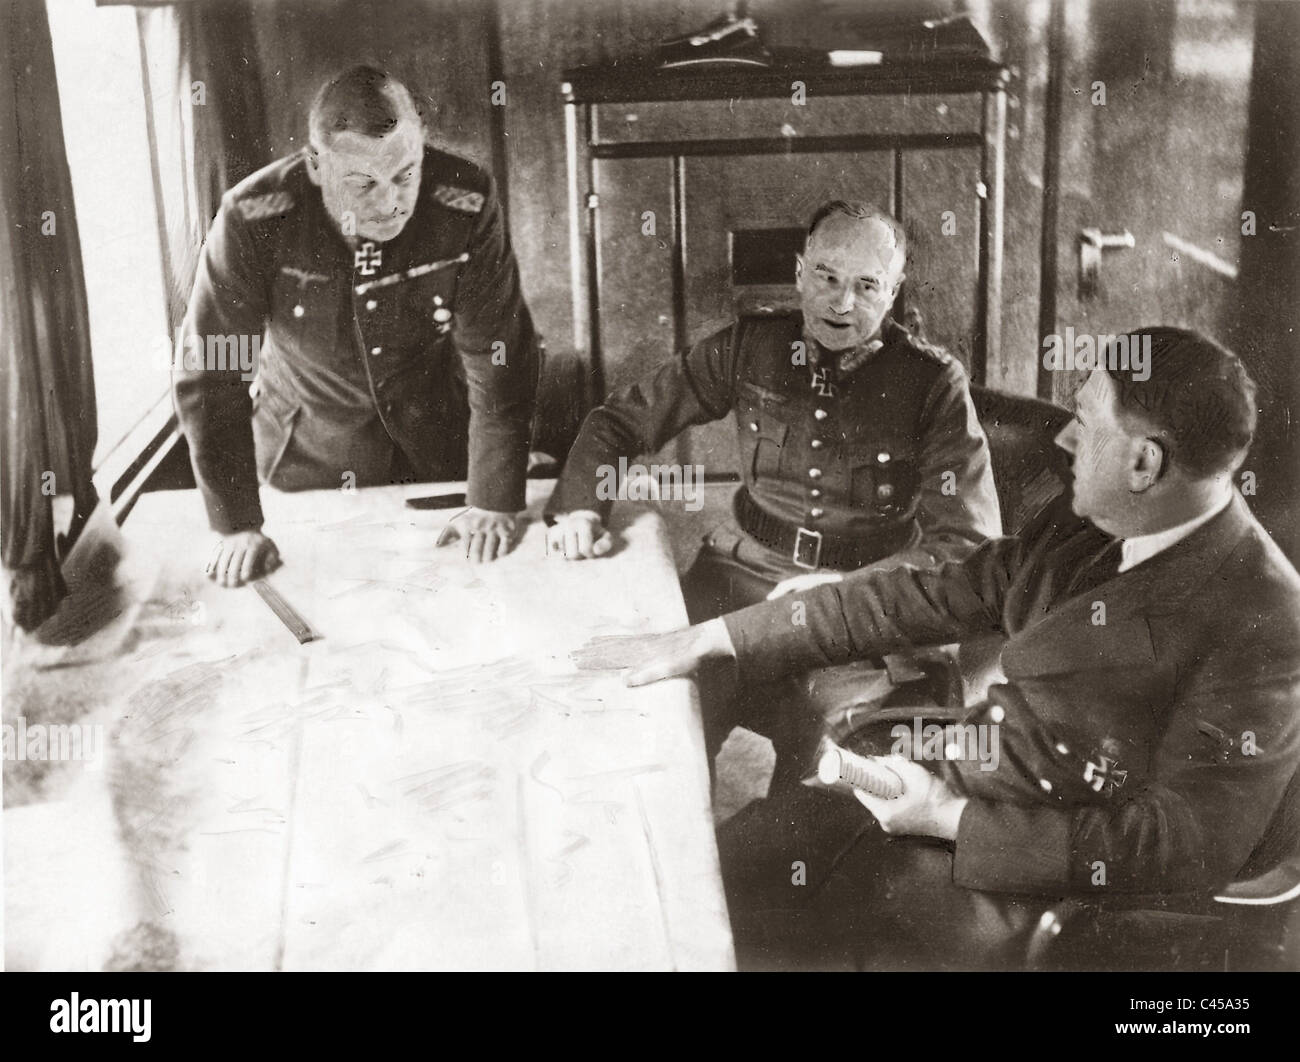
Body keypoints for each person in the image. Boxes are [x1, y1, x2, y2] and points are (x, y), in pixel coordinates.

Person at [574, 328, 1300, 968]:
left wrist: (944, 819)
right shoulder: (1096, 521)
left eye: (1085, 422)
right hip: (946, 777)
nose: (1065, 440)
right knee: (701, 885)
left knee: (779, 947)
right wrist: (719, 637)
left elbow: (1175, 848)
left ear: (1145, 463)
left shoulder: (1265, 616)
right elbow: (931, 593)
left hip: (1040, 884)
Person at [546, 200, 1001, 777]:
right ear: (798, 272)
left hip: (860, 596)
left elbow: (968, 545)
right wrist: (581, 508)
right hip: (739, 574)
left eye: (867, 285)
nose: (842, 303)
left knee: (860, 763)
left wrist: (846, 586)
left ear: (894, 291)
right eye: (826, 278)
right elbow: (620, 421)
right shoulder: (750, 347)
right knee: (638, 720)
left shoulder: (930, 382)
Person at [175, 65, 539, 586]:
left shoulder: (466, 199)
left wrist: (493, 497)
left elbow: (500, 354)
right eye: (362, 183)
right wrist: (235, 524)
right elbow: (213, 375)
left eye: (405, 174)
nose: (391, 202)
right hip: (307, 465)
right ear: (317, 165)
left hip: (441, 455)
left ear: (423, 144)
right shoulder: (253, 218)